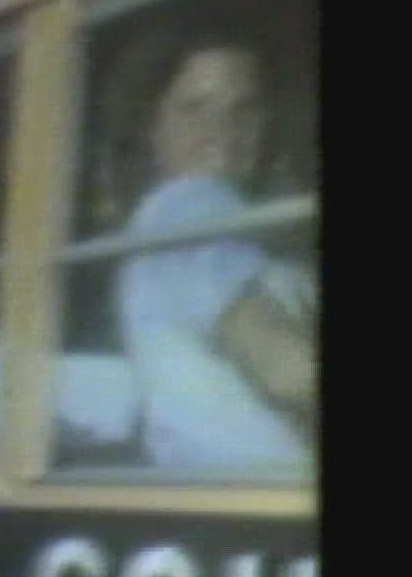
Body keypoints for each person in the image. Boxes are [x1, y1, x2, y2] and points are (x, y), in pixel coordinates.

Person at [109, 33, 316, 471]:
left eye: (244, 110)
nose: (222, 132)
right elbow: (287, 372)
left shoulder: (224, 223)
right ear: (154, 128)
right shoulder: (192, 204)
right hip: (258, 493)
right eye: (194, 109)